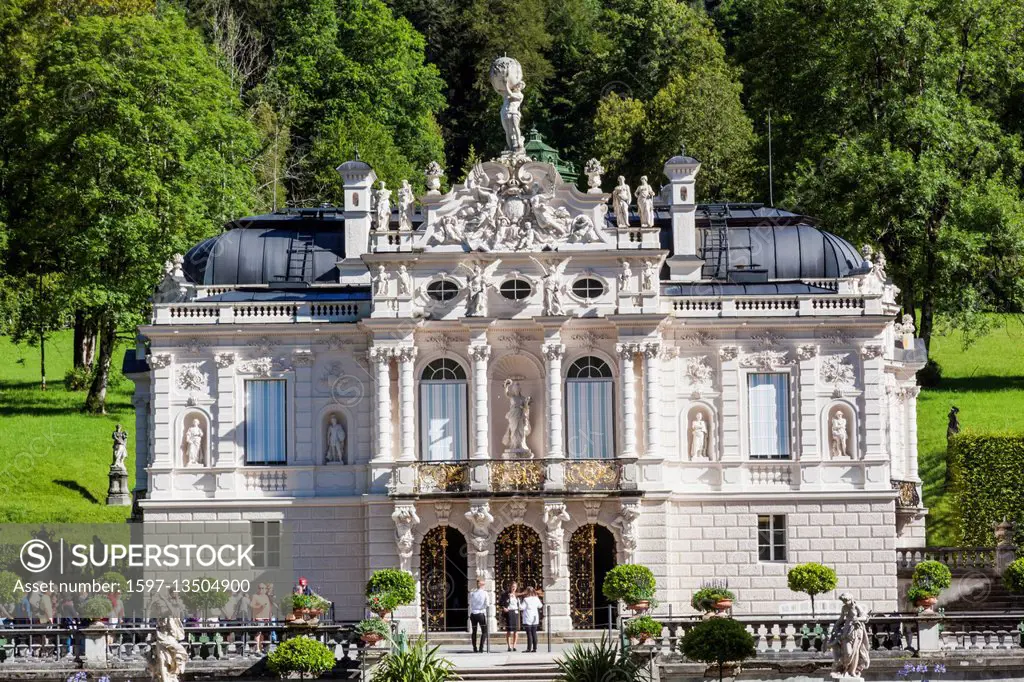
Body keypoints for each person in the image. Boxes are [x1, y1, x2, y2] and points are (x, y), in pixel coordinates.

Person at [469, 579, 491, 653]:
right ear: (481, 585)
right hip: (481, 613)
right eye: (484, 584)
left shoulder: (472, 593)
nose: (484, 586)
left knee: (474, 631)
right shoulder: (485, 593)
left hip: (473, 613)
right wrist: (484, 608)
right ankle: (481, 648)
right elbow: (487, 604)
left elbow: (470, 603)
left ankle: (474, 648)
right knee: (484, 631)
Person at [520, 586, 543, 653]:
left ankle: (529, 648)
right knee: (534, 633)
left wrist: (519, 603)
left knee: (529, 633)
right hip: (535, 617)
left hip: (528, 617)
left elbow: (522, 607)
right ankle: (535, 648)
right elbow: (540, 606)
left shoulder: (526, 599)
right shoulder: (536, 598)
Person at [500, 581, 521, 651]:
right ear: (510, 587)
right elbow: (500, 603)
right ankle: (509, 646)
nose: (514, 588)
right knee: (509, 630)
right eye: (513, 587)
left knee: (516, 630)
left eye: (515, 587)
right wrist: (504, 608)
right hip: (509, 612)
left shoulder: (517, 595)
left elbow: (520, 604)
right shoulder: (505, 594)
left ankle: (514, 646)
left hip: (516, 612)